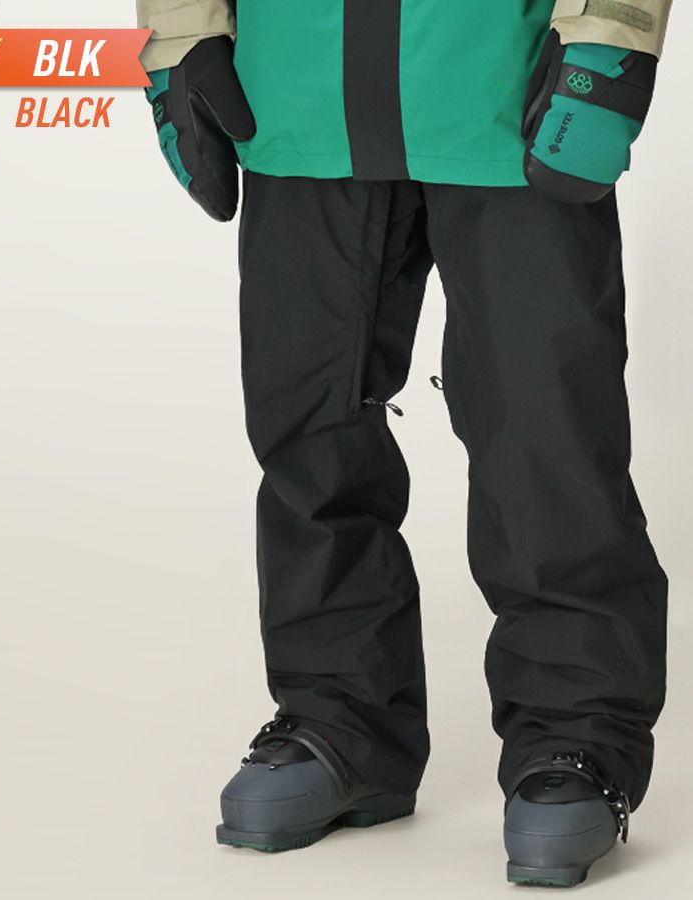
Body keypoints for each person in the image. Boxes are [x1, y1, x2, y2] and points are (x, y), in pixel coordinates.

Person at [136, 0, 672, 886]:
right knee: (308, 429)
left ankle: (576, 736)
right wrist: (183, 31)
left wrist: (611, 34)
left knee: (546, 434)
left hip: (508, 85)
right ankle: (340, 721)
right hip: (300, 84)